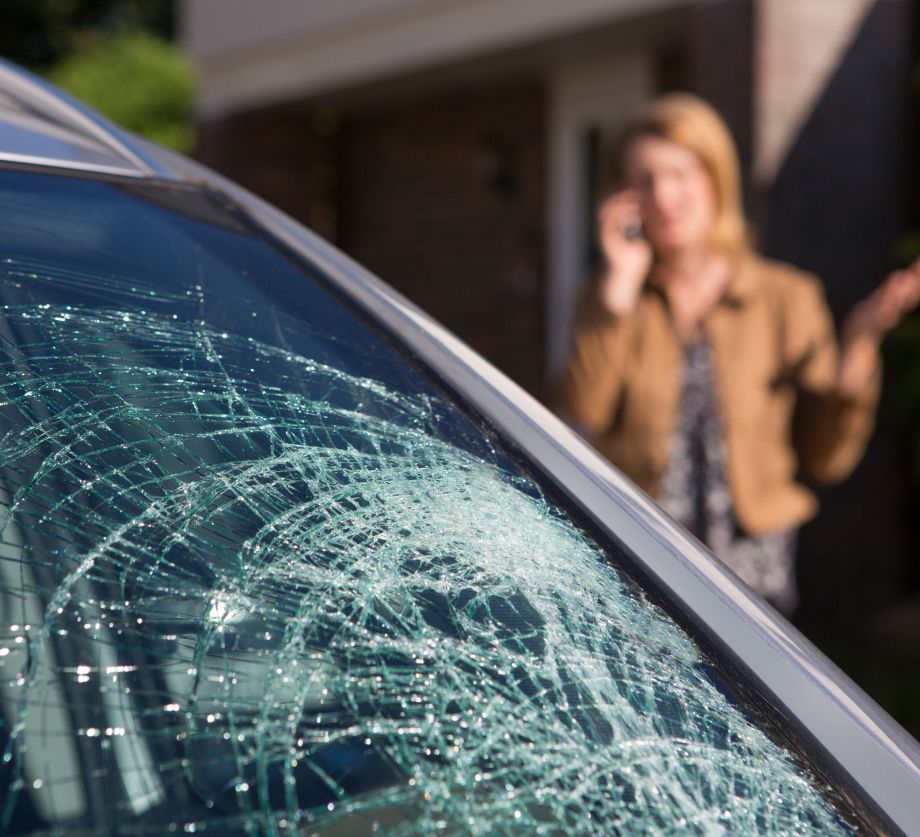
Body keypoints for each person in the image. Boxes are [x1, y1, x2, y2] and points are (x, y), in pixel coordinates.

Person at [551, 93, 920, 613]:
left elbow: (826, 457)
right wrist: (618, 294)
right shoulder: (610, 295)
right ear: (623, 197)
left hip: (752, 572)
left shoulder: (787, 297)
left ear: (715, 178)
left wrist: (860, 346)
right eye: (644, 179)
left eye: (680, 172)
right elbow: (581, 414)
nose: (663, 195)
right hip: (637, 561)